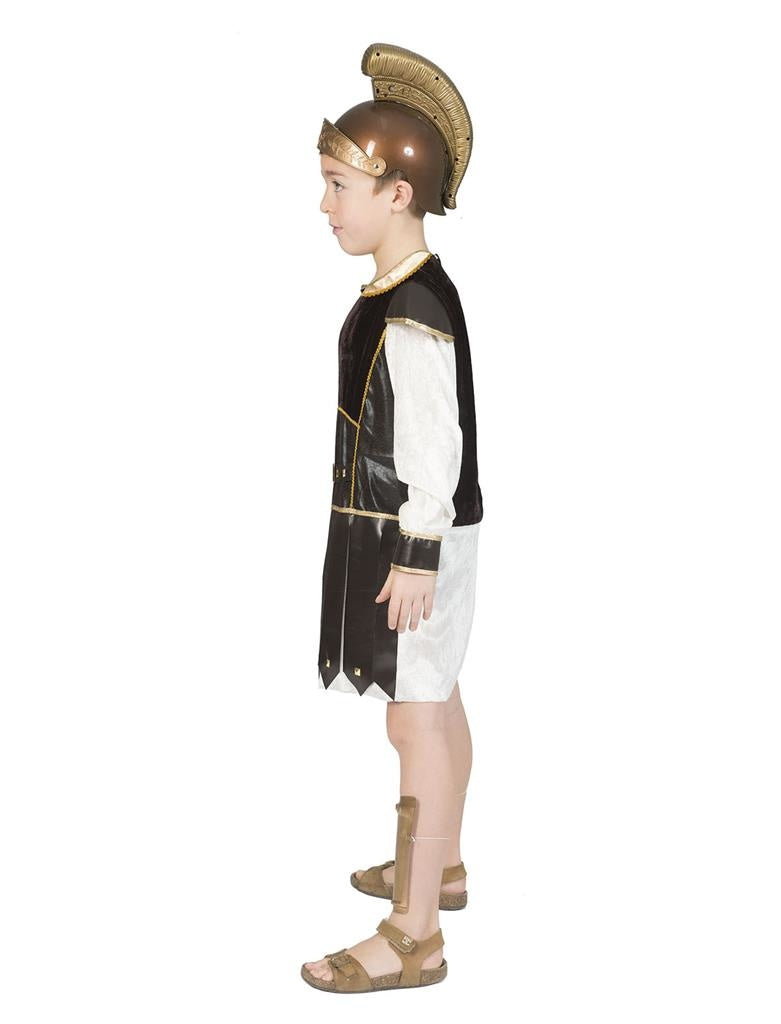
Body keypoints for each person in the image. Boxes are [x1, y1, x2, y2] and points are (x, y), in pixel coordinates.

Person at [301, 41, 484, 994]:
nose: (325, 204)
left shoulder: (412, 308)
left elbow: (431, 447)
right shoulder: (398, 293)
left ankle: (414, 934)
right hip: (416, 532)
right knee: (435, 702)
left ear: (397, 192)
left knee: (413, 722)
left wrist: (415, 552)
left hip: (415, 536)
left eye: (339, 185)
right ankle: (438, 866)